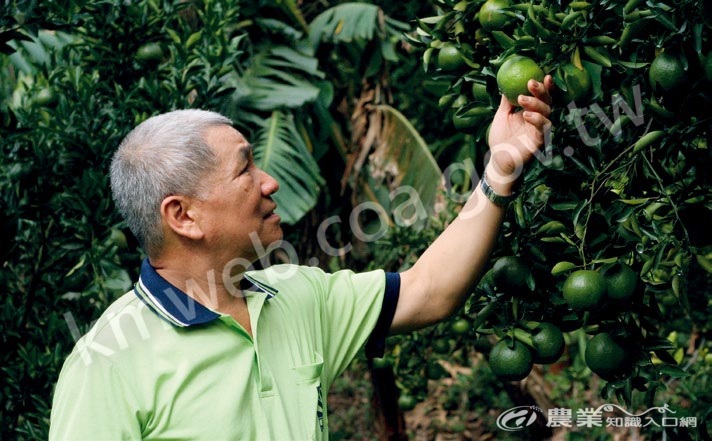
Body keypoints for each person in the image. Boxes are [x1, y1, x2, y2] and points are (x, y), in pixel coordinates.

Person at [49, 76, 553, 440]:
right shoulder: (108, 364)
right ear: (183, 216)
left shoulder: (296, 296)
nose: (270, 181)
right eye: (246, 167)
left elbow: (429, 290)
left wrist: (501, 168)